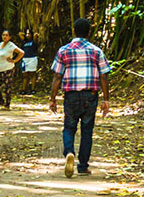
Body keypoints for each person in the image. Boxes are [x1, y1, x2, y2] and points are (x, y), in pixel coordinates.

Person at [48, 18, 111, 177]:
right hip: (90, 95)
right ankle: (82, 166)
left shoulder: (64, 50)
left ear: (74, 31)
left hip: (71, 95)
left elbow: (57, 76)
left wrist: (53, 98)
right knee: (87, 130)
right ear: (89, 32)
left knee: (69, 127)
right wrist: (106, 100)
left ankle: (69, 152)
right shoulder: (96, 51)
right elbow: (104, 76)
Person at [0, 29, 23, 109]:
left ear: (10, 37)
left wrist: (14, 60)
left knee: (7, 87)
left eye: (6, 35)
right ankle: (1, 103)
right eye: (3, 35)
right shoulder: (0, 44)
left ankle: (7, 105)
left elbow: (21, 52)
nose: (4, 36)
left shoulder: (11, 45)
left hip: (8, 69)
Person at [20, 28, 39, 95]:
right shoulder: (24, 42)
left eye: (29, 34)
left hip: (32, 59)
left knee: (32, 74)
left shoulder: (34, 41)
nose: (27, 35)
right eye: (26, 34)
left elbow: (35, 36)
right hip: (25, 59)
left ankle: (33, 89)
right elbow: (20, 34)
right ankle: (23, 89)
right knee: (25, 75)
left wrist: (34, 35)